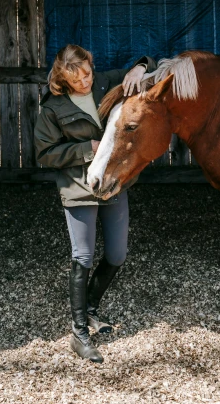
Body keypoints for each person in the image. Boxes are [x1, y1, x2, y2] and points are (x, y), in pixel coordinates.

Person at [34, 44, 155, 364]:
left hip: (114, 185)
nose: (85, 83)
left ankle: (88, 309)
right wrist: (87, 148)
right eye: (77, 80)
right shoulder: (52, 107)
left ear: (91, 66)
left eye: (87, 74)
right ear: (64, 78)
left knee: (117, 254)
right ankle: (79, 333)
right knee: (83, 256)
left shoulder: (107, 81)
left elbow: (150, 64)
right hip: (79, 186)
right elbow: (45, 154)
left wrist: (140, 67)